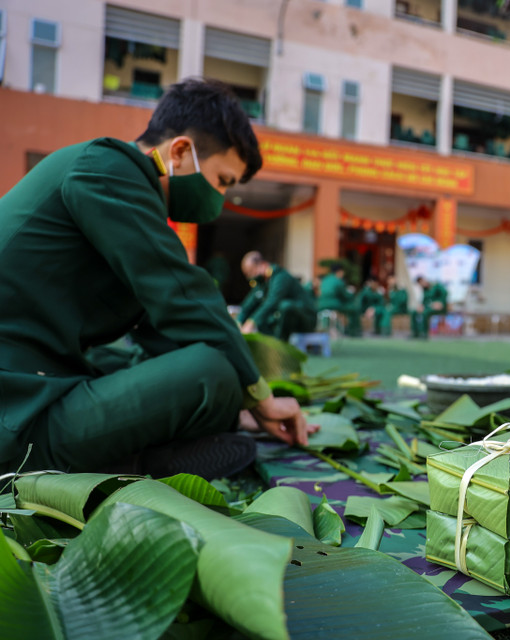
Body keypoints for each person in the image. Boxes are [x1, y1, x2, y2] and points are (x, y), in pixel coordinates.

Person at [0, 78, 310, 479]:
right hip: (16, 417)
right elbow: (184, 298)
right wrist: (260, 396)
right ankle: (132, 462)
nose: (220, 200)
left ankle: (139, 456)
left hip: (37, 391)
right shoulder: (105, 168)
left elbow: (163, 332)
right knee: (211, 369)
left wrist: (239, 405)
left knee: (159, 362)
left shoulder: (122, 194)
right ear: (180, 151)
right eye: (222, 181)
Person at [237, 251, 317, 340]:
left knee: (285, 306)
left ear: (262, 264)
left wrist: (251, 322)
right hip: (286, 318)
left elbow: (272, 301)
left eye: (251, 271)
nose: (250, 276)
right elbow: (249, 304)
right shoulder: (262, 282)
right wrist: (238, 322)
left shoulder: (280, 277)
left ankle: (281, 341)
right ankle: (270, 341)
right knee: (261, 313)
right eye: (247, 274)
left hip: (306, 319)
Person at [316, 264, 362, 337]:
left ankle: (333, 329)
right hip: (334, 304)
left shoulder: (325, 280)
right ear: (339, 271)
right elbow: (345, 296)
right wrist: (351, 293)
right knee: (354, 309)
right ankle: (354, 332)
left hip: (320, 304)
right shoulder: (338, 280)